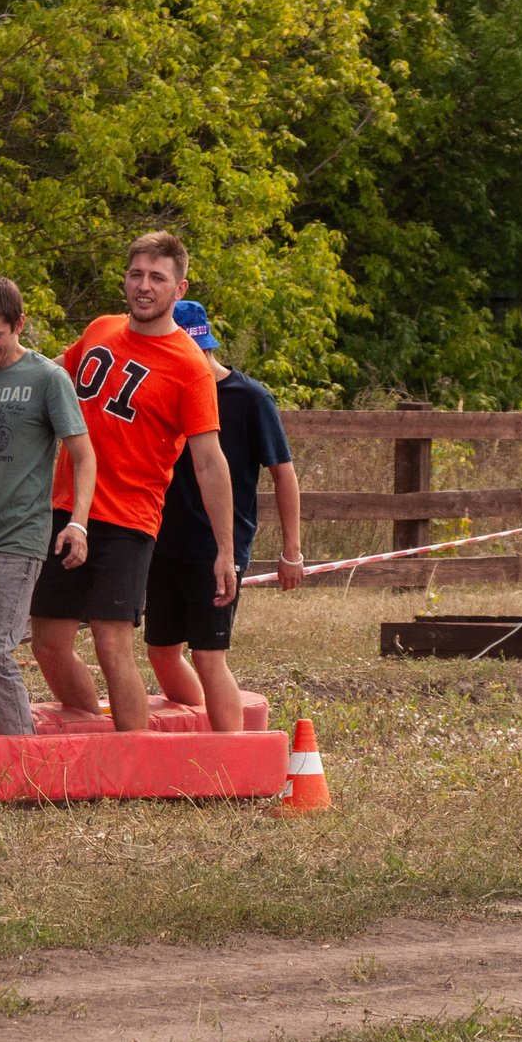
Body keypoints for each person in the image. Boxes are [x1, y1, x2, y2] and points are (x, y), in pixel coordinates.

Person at [29, 231, 236, 732]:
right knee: (48, 641)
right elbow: (52, 376)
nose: (144, 286)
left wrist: (225, 549)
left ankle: (136, 754)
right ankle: (89, 731)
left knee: (111, 642)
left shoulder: (189, 367)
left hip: (128, 518)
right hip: (67, 507)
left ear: (179, 288)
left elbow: (209, 461)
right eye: (137, 274)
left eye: (157, 278)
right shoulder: (100, 328)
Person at [143, 300, 303, 732]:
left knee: (209, 654)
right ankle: (195, 722)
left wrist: (292, 551)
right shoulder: (160, 389)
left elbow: (284, 475)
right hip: (160, 538)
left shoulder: (249, 397)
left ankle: (232, 753)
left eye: (197, 351)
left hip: (216, 546)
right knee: (160, 650)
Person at [0, 273, 93, 735]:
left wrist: (79, 524)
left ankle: (24, 758)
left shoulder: (47, 378)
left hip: (21, 534)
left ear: (19, 324)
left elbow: (84, 454)